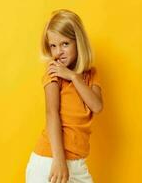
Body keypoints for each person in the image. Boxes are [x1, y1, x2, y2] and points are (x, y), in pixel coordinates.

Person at [25, 9, 103, 183]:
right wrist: (59, 161)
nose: (58, 52)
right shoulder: (53, 73)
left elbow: (97, 106)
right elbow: (51, 114)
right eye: (53, 46)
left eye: (65, 44)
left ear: (78, 42)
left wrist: (73, 76)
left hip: (78, 164)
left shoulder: (90, 75)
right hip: (50, 160)